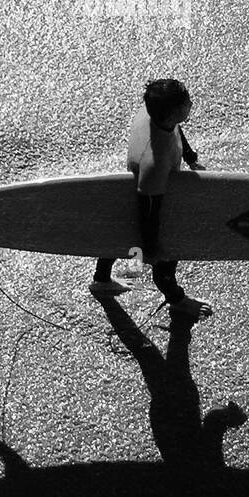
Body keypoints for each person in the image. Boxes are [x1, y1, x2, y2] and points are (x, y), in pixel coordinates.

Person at [90, 78, 213, 321]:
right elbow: (149, 211)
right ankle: (177, 300)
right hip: (150, 193)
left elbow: (177, 130)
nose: (191, 102)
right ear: (172, 114)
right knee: (164, 261)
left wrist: (190, 158)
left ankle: (102, 280)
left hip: (132, 187)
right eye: (187, 102)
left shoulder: (153, 113)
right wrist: (152, 249)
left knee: (119, 234)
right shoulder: (155, 164)